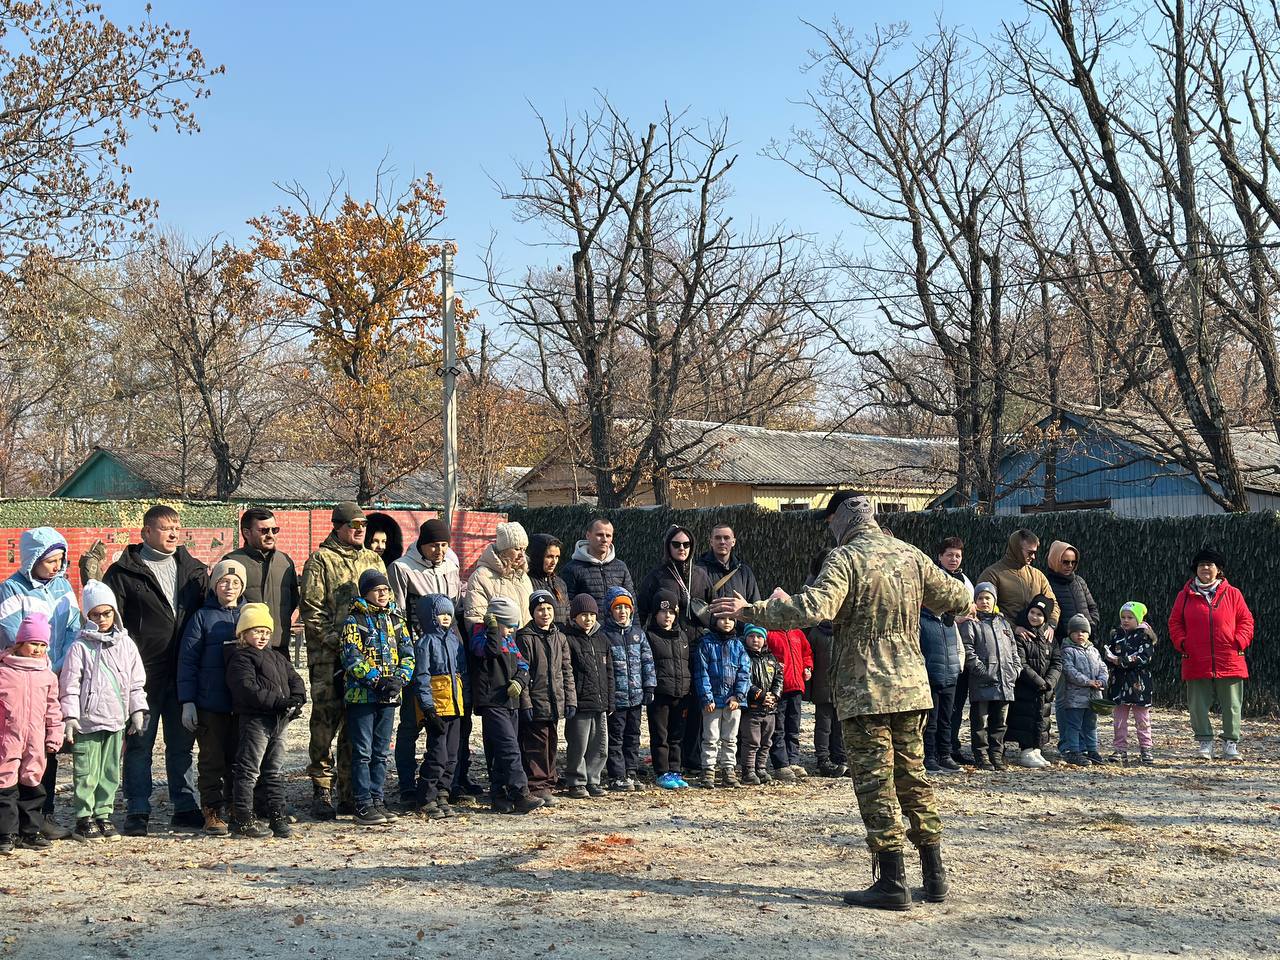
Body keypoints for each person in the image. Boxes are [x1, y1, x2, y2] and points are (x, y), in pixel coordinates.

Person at [710, 491, 972, 910]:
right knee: (913, 778)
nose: (829, 529)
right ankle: (935, 876)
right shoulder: (910, 555)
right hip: (912, 687)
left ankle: (892, 882)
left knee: (875, 783)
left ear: (840, 519)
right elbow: (959, 598)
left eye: (829, 521)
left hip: (866, 689)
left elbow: (813, 609)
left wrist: (749, 611)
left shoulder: (845, 558)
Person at [101, 504, 208, 836]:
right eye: (165, 528)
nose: (173, 533)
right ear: (146, 532)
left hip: (183, 674)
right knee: (139, 744)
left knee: (182, 745)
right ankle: (137, 809)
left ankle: (185, 805)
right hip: (142, 676)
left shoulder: (194, 570)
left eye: (177, 527)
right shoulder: (123, 573)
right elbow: (112, 626)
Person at [299, 501, 384, 820]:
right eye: (354, 525)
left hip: (365, 660)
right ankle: (322, 789)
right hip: (328, 658)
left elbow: (382, 605)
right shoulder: (321, 560)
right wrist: (341, 643)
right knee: (325, 722)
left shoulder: (373, 559)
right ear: (337, 526)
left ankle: (351, 792)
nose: (360, 530)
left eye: (364, 525)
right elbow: (312, 610)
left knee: (357, 724)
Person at [0, 527, 81, 840]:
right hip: (22, 675)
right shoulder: (11, 589)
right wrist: (38, 661)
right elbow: (12, 632)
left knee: (47, 745)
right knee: (13, 753)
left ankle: (40, 817)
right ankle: (11, 824)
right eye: (50, 560)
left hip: (55, 675)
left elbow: (73, 626)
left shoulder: (62, 586)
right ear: (33, 558)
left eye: (60, 559)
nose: (56, 566)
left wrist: (61, 664)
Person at [387, 518, 471, 807]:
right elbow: (397, 613)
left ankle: (447, 783)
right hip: (417, 651)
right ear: (422, 544)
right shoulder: (402, 568)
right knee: (412, 723)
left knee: (451, 724)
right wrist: (406, 651)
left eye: (444, 545)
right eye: (434, 545)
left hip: (447, 651)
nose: (440, 551)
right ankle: (407, 785)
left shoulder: (451, 564)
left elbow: (455, 606)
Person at [58, 581, 148, 842]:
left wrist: (137, 710)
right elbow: (70, 685)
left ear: (115, 612)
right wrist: (70, 716)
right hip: (87, 722)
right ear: (88, 616)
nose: (102, 619)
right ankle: (84, 817)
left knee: (110, 772)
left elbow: (136, 682)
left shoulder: (126, 644)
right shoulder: (79, 647)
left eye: (107, 613)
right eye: (95, 614)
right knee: (86, 772)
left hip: (116, 720)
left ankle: (103, 814)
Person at [177, 558, 247, 836]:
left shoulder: (250, 615)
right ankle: (212, 810)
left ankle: (237, 808)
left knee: (240, 759)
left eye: (235, 582)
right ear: (215, 586)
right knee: (211, 760)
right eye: (223, 581)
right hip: (210, 704)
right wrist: (188, 701)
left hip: (241, 703)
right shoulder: (201, 618)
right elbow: (188, 662)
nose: (229, 587)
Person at [224, 603, 305, 839]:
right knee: (248, 770)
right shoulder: (240, 658)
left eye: (266, 632)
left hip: (280, 720)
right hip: (256, 720)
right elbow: (247, 688)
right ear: (244, 633)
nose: (262, 636)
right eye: (257, 631)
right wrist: (279, 703)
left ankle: (277, 815)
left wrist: (297, 699)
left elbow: (295, 679)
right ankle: (243, 818)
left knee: (274, 770)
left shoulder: (277, 656)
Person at [342, 569, 414, 826]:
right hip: (362, 695)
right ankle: (362, 802)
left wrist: (399, 679)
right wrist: (375, 680)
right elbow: (351, 655)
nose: (382, 594)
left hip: (390, 696)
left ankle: (377, 799)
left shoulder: (396, 619)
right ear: (366, 593)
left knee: (381, 752)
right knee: (362, 751)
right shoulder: (354, 620)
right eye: (376, 590)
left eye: (385, 589)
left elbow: (408, 653)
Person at [1168, 546, 1253, 761]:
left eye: (1210, 565)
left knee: (1232, 705)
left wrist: (1239, 641)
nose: (1205, 568)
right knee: (1197, 705)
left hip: (1229, 658)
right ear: (1195, 569)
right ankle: (1204, 742)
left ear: (1218, 569)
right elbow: (1175, 622)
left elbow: (1246, 621)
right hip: (1196, 658)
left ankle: (1230, 744)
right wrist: (1183, 643)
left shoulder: (1233, 594)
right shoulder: (1184, 596)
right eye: (1201, 565)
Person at [469, 595, 542, 814]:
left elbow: (523, 665)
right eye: (508, 626)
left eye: (513, 627)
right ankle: (520, 793)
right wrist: (492, 629)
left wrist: (519, 681)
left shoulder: (510, 640)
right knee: (508, 747)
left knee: (503, 749)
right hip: (492, 702)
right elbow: (490, 651)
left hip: (510, 702)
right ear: (495, 621)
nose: (511, 631)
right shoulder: (480, 636)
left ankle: (499, 795)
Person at [0, 614, 63, 853]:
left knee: (33, 782)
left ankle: (30, 831)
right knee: (5, 783)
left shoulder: (47, 675)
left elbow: (53, 708)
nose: (37, 649)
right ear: (20, 643)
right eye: (33, 643)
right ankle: (6, 833)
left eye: (42, 645)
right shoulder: (4, 672)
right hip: (7, 738)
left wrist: (54, 734)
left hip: (35, 739)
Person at [405, 594, 466, 818]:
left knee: (452, 754)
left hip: (455, 706)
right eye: (441, 614)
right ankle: (426, 797)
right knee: (437, 754)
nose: (446, 617)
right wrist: (428, 709)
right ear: (430, 617)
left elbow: (462, 673)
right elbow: (421, 678)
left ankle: (443, 792)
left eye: (449, 613)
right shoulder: (425, 643)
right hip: (437, 708)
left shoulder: (454, 641)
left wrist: (465, 699)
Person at [515, 590, 576, 805]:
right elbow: (522, 672)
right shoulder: (525, 637)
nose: (545, 613)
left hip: (554, 700)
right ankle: (537, 784)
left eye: (549, 609)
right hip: (536, 699)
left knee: (551, 742)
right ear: (533, 612)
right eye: (540, 609)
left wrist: (570, 699)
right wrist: (526, 703)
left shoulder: (559, 637)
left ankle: (549, 780)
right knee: (536, 744)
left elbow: (566, 670)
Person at [961, 582, 1021, 772]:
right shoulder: (972, 623)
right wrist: (981, 670)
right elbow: (967, 649)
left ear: (994, 601)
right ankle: (981, 756)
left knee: (1000, 723)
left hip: (1005, 681)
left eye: (988, 598)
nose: (984, 602)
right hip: (982, 681)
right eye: (980, 598)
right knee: (981, 722)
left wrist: (1015, 670)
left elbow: (1014, 650)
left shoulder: (1004, 623)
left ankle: (996, 755)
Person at [224, 508, 299, 654]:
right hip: (244, 648)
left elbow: (293, 600)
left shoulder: (285, 562)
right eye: (264, 531)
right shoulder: (232, 562)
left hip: (279, 647)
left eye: (274, 530)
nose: (270, 535)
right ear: (247, 532)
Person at [602, 587, 656, 791]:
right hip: (616, 699)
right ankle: (617, 774)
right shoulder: (605, 635)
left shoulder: (638, 634)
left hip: (636, 697)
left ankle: (631, 771)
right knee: (615, 737)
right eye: (618, 608)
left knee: (633, 736)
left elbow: (647, 662)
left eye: (626, 607)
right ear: (610, 611)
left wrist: (649, 687)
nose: (622, 611)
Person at [692, 612, 750, 790]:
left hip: (733, 702)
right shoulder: (706, 644)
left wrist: (738, 696)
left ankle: (728, 769)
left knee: (730, 738)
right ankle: (708, 769)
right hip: (712, 702)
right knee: (710, 737)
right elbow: (701, 673)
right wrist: (706, 697)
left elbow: (745, 672)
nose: (727, 622)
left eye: (731, 619)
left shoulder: (738, 645)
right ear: (715, 621)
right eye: (723, 618)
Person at [562, 595, 612, 799]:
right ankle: (576, 781)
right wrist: (570, 700)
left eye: (592, 614)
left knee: (600, 744)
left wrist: (610, 699)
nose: (588, 619)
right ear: (574, 617)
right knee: (578, 744)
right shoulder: (569, 639)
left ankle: (593, 779)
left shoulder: (602, 639)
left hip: (600, 701)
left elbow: (610, 672)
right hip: (580, 702)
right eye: (583, 615)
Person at [933, 537, 976, 767]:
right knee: (938, 706)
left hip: (962, 650)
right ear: (940, 556)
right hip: (939, 647)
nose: (954, 559)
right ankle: (935, 750)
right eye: (949, 555)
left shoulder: (965, 581)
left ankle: (952, 746)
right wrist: (955, 618)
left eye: (958, 555)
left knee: (957, 703)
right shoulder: (934, 578)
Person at [644, 589, 692, 790]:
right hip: (660, 694)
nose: (667, 616)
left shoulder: (682, 637)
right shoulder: (649, 636)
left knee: (677, 735)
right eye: (663, 612)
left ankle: (675, 769)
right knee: (660, 735)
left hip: (681, 692)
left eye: (671, 612)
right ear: (655, 613)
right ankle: (662, 771)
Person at [1006, 594, 1060, 769]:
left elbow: (1057, 662)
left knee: (1042, 717)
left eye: (1039, 614)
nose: (1034, 617)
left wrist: (1049, 682)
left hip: (1045, 688)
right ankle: (1026, 750)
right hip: (1027, 687)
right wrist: (1038, 682)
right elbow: (1021, 662)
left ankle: (1037, 748)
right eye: (1032, 612)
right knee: (1025, 717)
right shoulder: (1021, 636)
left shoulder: (1050, 638)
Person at [919, 594, 965, 774]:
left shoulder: (950, 622)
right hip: (931, 678)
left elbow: (959, 648)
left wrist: (958, 667)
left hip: (950, 677)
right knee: (931, 721)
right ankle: (929, 756)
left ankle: (945, 755)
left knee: (946, 719)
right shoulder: (921, 621)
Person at [1106, 601, 1155, 765]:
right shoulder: (1116, 635)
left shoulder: (1145, 636)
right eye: (1123, 617)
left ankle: (1146, 748)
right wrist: (1109, 659)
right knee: (1119, 720)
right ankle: (1120, 749)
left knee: (1142, 720)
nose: (1125, 620)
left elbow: (1143, 658)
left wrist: (1121, 661)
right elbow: (1109, 654)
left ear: (1139, 619)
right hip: (1119, 684)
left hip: (1140, 685)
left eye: (1130, 617)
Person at [977, 529, 1057, 632]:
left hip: (1037, 636)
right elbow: (985, 609)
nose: (1033, 557)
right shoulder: (992, 574)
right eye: (1030, 553)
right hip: (1005, 635)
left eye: (1034, 552)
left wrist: (1051, 625)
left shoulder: (1038, 575)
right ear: (1016, 549)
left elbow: (1052, 603)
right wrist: (1013, 628)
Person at [635, 524, 711, 627]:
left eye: (686, 544)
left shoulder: (701, 575)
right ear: (668, 546)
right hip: (665, 636)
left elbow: (713, 607)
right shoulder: (656, 576)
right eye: (676, 544)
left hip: (698, 635)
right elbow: (641, 612)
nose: (681, 548)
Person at [463, 521, 533, 630]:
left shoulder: (523, 577)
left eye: (524, 549)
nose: (522, 555)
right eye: (517, 549)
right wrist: (497, 638)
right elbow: (475, 619)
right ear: (503, 550)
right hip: (499, 640)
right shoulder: (481, 577)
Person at [1058, 614, 1108, 766]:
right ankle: (1074, 751)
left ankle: (1092, 750)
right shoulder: (1067, 651)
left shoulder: (1094, 651)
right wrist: (1088, 682)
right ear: (1070, 633)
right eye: (1076, 631)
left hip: (1093, 697)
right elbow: (1070, 671)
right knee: (1074, 725)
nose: (1080, 634)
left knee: (1091, 724)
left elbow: (1102, 667)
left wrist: (1101, 680)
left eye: (1084, 631)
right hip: (1074, 697)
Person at [560, 518, 635, 615]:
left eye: (608, 536)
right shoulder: (572, 569)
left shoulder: (621, 567)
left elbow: (631, 602)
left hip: (617, 625)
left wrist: (635, 624)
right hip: (587, 624)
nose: (604, 540)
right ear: (588, 535)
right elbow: (566, 606)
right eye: (599, 535)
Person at [739, 624, 783, 786]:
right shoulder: (743, 657)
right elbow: (744, 680)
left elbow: (779, 677)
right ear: (746, 638)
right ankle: (748, 771)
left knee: (766, 741)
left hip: (770, 709)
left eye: (759, 637)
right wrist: (760, 695)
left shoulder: (771, 658)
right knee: (751, 741)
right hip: (752, 708)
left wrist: (774, 695)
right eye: (751, 636)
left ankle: (761, 768)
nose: (755, 640)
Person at [766, 625, 812, 781]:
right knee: (778, 727)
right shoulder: (770, 633)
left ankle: (793, 761)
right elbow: (763, 654)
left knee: (793, 726)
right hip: (778, 687)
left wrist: (808, 667)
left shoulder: (797, 633)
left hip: (797, 685)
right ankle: (781, 764)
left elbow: (807, 653)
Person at [1044, 540, 1100, 641]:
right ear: (1055, 560)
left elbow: (1092, 607)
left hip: (1086, 640)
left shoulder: (1079, 581)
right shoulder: (1046, 584)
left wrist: (1091, 625)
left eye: (1073, 562)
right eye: (1065, 562)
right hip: (1063, 642)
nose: (1070, 566)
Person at [696, 523, 762, 604]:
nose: (722, 542)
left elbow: (755, 604)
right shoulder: (699, 571)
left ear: (733, 542)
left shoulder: (744, 572)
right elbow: (696, 605)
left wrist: (744, 608)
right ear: (711, 542)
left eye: (726, 538)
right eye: (718, 538)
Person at [527, 534, 569, 625]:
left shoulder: (560, 583)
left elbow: (567, 616)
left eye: (557, 557)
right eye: (549, 556)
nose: (554, 562)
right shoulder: (526, 582)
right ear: (538, 557)